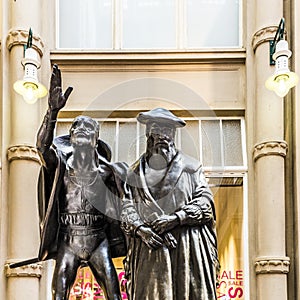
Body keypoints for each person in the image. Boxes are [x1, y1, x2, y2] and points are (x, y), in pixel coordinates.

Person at [36, 64, 125, 300]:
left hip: (98, 240)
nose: (82, 130)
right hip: (69, 238)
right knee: (59, 294)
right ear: (71, 137)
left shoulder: (108, 171)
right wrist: (52, 113)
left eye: (88, 128)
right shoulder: (61, 165)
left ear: (96, 139)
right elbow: (42, 149)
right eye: (77, 127)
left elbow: (124, 208)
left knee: (114, 295)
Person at [121, 108, 220, 300]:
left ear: (173, 134)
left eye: (167, 130)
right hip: (149, 248)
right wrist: (142, 230)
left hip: (186, 247)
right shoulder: (134, 174)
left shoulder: (192, 168)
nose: (162, 135)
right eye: (156, 130)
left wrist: (176, 218)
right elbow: (126, 209)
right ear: (148, 135)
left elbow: (205, 204)